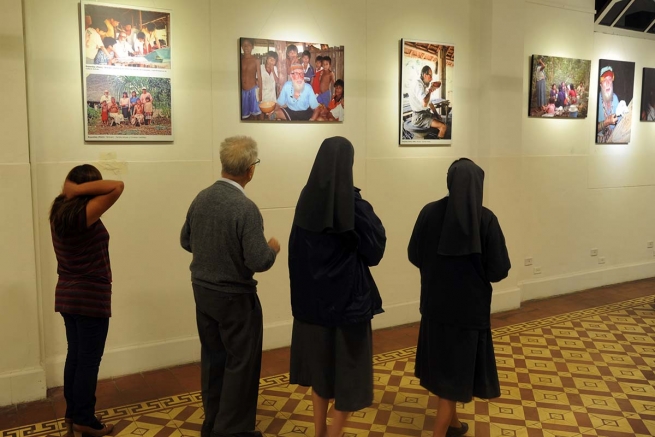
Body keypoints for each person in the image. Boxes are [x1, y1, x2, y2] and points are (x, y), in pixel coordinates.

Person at [180, 136, 280, 437]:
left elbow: (186, 240)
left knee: (213, 360)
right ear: (250, 170)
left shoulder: (202, 197)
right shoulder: (245, 208)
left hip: (202, 291)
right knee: (241, 366)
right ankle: (233, 432)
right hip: (235, 298)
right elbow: (258, 260)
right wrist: (272, 248)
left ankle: (212, 426)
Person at [289, 136, 386, 437]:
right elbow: (375, 252)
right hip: (348, 307)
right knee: (350, 375)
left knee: (321, 374)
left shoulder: (305, 201)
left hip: (312, 308)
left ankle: (320, 433)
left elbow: (295, 255)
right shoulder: (354, 206)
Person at [408, 158, 510, 437]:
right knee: (453, 377)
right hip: (469, 312)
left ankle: (452, 424)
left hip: (433, 306)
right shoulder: (486, 219)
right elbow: (499, 270)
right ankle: (440, 432)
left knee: (442, 368)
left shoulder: (429, 213)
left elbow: (413, 254)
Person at [49, 165, 124, 437]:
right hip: (89, 296)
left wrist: (72, 191)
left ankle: (72, 415)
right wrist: (78, 190)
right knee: (89, 360)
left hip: (68, 294)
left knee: (76, 356)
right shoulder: (84, 215)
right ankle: (84, 419)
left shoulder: (60, 210)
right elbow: (118, 186)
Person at [408, 65, 447, 138]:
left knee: (441, 120)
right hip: (419, 117)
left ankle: (436, 138)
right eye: (430, 76)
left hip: (425, 114)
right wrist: (430, 91)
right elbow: (425, 103)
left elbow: (430, 103)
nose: (431, 79)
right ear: (425, 75)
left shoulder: (423, 86)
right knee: (443, 127)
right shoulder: (418, 84)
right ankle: (439, 147)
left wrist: (436, 114)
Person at [597, 66, 621, 142]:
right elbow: (590, 129)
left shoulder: (615, 98)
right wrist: (606, 122)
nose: (608, 83)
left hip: (613, 138)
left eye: (610, 79)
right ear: (600, 84)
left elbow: (619, 121)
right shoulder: (596, 100)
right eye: (604, 80)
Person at [240, 38, 261, 120]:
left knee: (255, 114)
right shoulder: (240, 60)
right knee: (244, 115)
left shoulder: (256, 60)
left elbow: (259, 77)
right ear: (241, 47)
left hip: (253, 89)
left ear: (252, 47)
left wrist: (260, 93)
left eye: (248, 45)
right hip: (243, 91)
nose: (246, 47)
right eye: (244, 45)